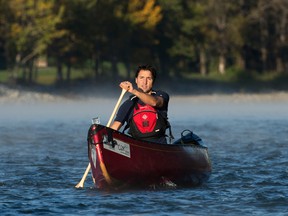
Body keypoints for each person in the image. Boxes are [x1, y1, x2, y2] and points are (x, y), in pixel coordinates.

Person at [110, 64, 172, 144]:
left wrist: (134, 91)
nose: (144, 82)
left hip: (159, 146)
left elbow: (154, 102)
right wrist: (101, 136)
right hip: (137, 147)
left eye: (149, 78)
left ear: (153, 80)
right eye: (141, 78)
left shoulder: (161, 95)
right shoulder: (129, 104)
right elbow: (115, 127)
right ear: (136, 80)